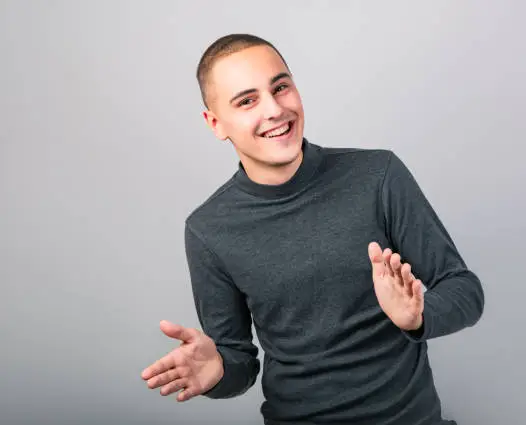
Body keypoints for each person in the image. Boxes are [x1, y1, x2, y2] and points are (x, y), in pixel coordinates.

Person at [141, 33, 485, 425]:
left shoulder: (378, 175)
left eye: (281, 87)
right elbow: (239, 364)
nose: (274, 110)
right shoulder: (207, 230)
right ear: (216, 123)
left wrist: (418, 316)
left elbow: (465, 291)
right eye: (247, 100)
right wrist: (219, 371)